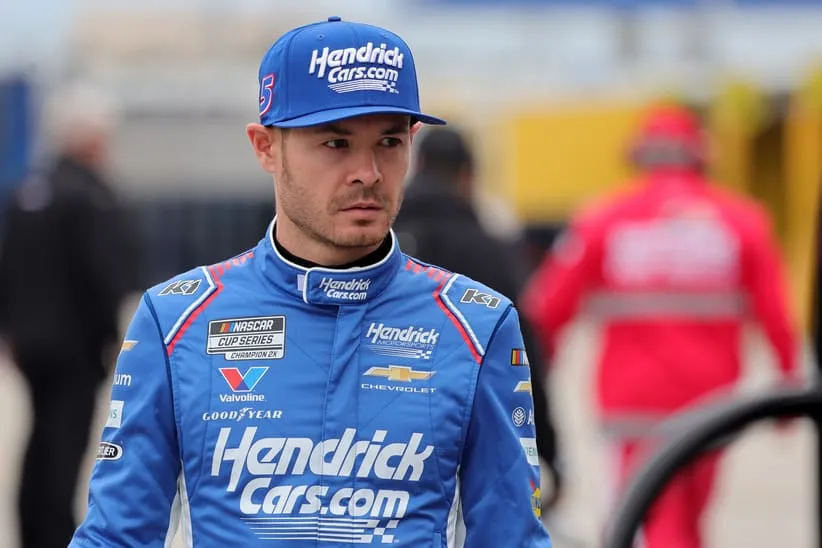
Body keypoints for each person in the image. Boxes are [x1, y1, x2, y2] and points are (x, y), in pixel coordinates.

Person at [69, 17, 551, 547]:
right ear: (265, 147)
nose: (368, 171)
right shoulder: (176, 318)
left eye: (389, 141)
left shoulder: (478, 324)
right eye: (335, 143)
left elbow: (512, 536)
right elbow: (115, 536)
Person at [521, 104, 800, 548]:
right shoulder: (743, 222)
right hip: (712, 406)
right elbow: (778, 315)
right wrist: (789, 387)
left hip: (632, 405)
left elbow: (546, 310)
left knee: (643, 517)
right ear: (699, 155)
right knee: (687, 518)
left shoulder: (604, 220)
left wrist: (532, 382)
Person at [0, 82, 142, 548]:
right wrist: (109, 339)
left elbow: (8, 267)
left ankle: (29, 531)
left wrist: (12, 332)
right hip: (74, 347)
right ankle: (55, 536)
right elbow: (105, 275)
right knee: (63, 446)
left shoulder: (27, 192)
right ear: (93, 138)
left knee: (37, 443)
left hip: (30, 345)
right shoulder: (90, 196)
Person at [394, 126, 564, 507]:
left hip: (378, 446)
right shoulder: (493, 251)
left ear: (416, 165)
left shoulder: (379, 242)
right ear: (467, 176)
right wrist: (549, 453)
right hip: (465, 441)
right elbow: (521, 356)